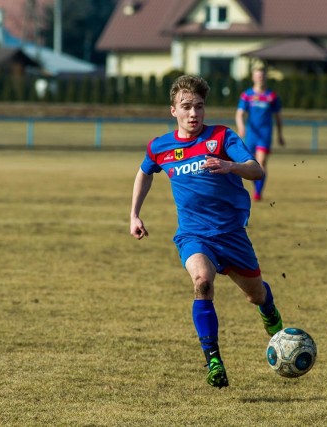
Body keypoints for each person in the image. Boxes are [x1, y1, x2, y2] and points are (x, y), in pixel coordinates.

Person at [130, 75, 283, 389]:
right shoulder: (160, 147)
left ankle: (267, 305)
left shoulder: (222, 137)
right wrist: (134, 215)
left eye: (199, 106)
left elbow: (257, 170)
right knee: (202, 282)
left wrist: (231, 166)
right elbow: (144, 173)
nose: (193, 113)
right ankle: (214, 360)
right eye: (186, 107)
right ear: (173, 110)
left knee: (254, 295)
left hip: (231, 235)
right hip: (193, 236)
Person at [235, 66, 285, 201]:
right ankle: (257, 186)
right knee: (251, 163)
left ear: (265, 78)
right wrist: (241, 127)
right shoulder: (247, 95)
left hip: (264, 134)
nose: (260, 78)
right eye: (258, 76)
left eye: (262, 76)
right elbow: (239, 114)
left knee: (262, 162)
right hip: (251, 134)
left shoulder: (272, 96)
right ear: (253, 77)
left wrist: (280, 135)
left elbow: (278, 117)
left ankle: (258, 192)